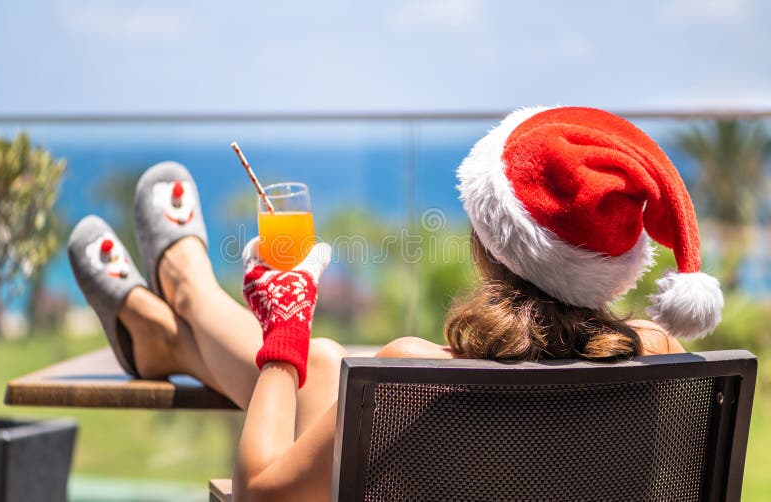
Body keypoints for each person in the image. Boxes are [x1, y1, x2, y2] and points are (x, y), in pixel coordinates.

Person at [68, 106, 723, 501]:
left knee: (309, 359)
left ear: (487, 245)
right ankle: (172, 330)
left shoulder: (414, 376)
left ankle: (186, 297)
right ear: (616, 265)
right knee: (327, 368)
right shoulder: (657, 358)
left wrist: (284, 330)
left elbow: (258, 495)